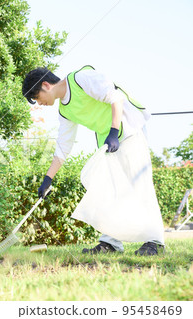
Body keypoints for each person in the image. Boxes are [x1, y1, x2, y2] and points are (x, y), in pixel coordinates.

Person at [22, 65, 165, 256]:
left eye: (37, 98)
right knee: (108, 188)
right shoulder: (64, 111)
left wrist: (114, 131)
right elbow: (63, 148)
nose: (39, 103)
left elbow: (115, 97)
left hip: (129, 129)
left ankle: (155, 241)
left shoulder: (80, 79)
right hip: (109, 143)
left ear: (46, 85)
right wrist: (48, 179)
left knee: (139, 182)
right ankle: (111, 243)